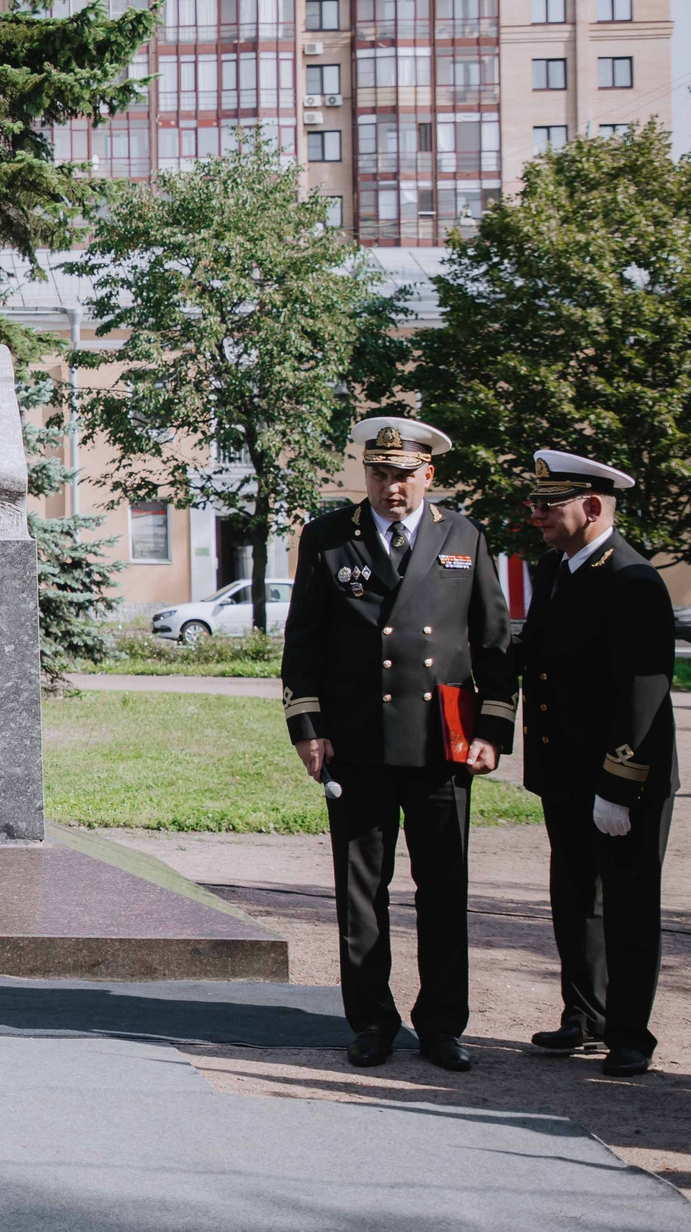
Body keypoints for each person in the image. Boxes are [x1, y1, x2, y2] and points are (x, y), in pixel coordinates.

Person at [281, 416, 512, 1072]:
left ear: (428, 474)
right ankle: (372, 1023)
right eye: (379, 473)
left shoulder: (462, 536)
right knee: (362, 892)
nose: (391, 486)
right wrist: (308, 727)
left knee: (443, 889)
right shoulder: (328, 538)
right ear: (365, 474)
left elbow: (493, 642)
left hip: (442, 744)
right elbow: (304, 646)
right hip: (356, 743)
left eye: (404, 474)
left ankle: (441, 1024)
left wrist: (493, 730)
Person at [513, 450, 677, 1078]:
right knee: (575, 895)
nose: (537, 516)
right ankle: (584, 1014)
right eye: (536, 504)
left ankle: (631, 1034)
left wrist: (619, 783)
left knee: (630, 903)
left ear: (591, 507)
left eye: (547, 506)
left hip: (622, 776)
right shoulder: (558, 567)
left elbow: (643, 692)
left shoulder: (632, 579)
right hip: (566, 771)